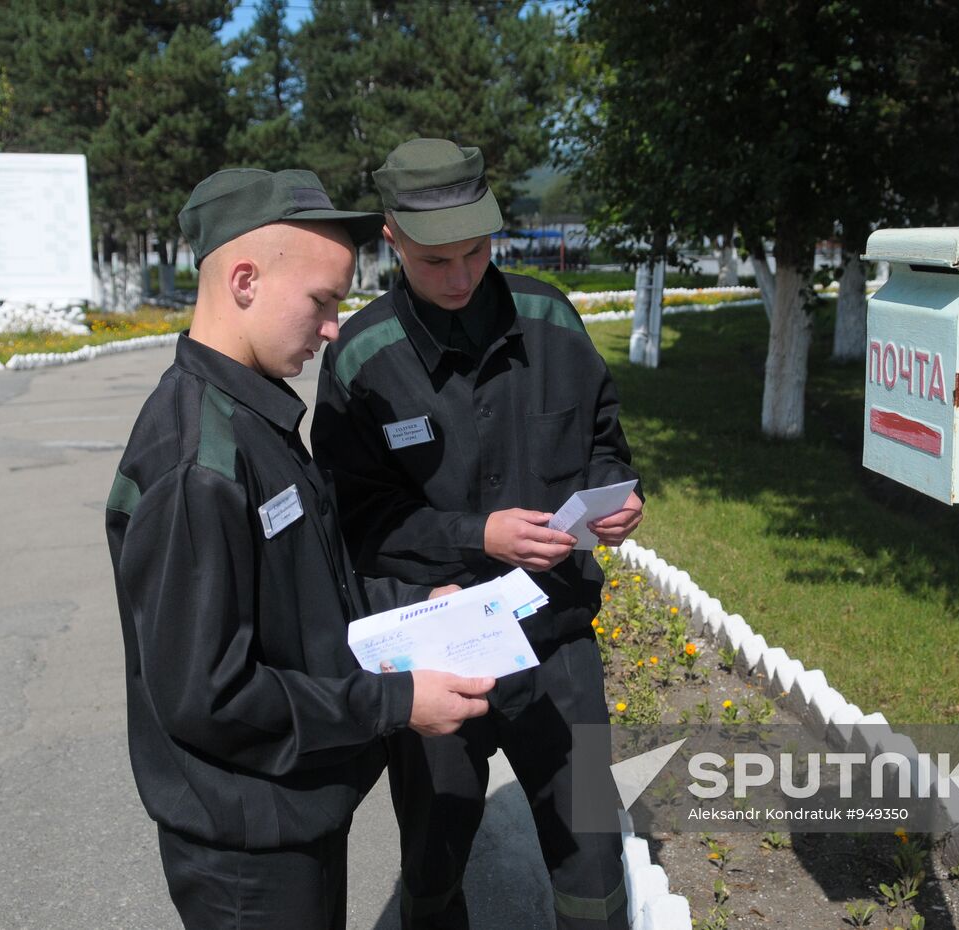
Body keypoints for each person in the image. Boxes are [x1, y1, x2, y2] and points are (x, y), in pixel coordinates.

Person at [104, 167, 494, 930]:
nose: (332, 330)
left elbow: (310, 595)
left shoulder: (256, 419)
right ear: (244, 280)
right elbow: (210, 697)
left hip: (290, 808)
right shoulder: (198, 463)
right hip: (245, 849)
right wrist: (397, 701)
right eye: (321, 304)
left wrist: (417, 608)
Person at [312, 139, 643, 930]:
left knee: (594, 847)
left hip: (557, 638)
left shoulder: (552, 318)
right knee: (432, 854)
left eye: (476, 252)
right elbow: (353, 523)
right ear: (392, 241)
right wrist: (477, 535)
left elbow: (604, 439)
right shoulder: (362, 360)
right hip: (437, 650)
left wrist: (616, 502)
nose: (462, 277)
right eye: (437, 262)